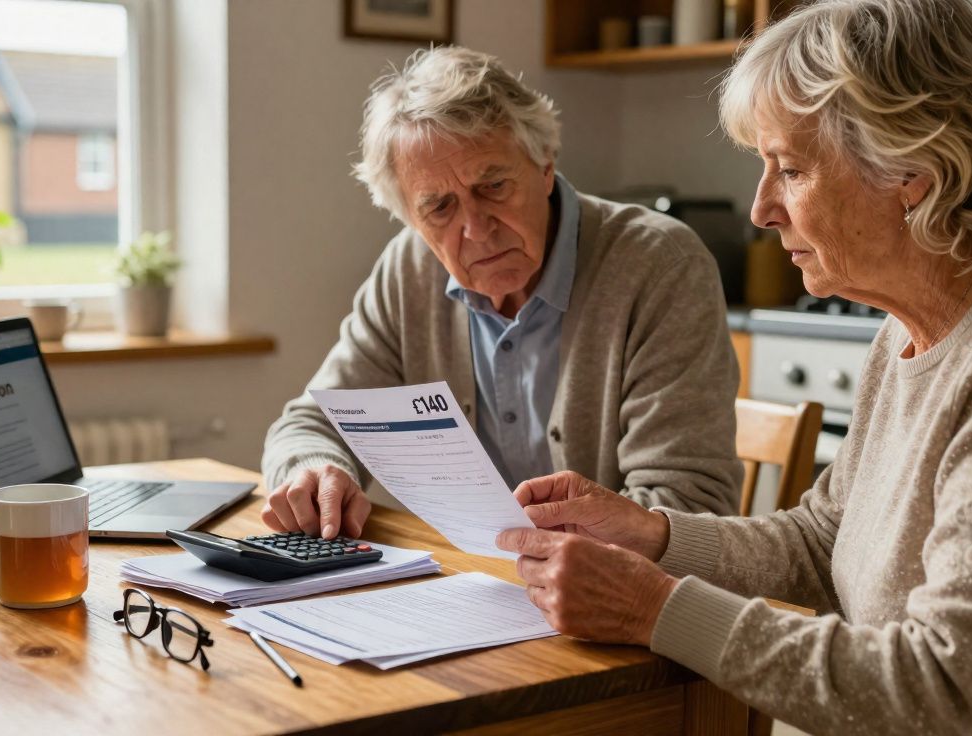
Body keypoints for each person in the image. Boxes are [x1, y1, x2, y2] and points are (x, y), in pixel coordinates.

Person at [496, 1, 972, 733]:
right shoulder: (913, 327)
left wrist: (653, 607)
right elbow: (822, 547)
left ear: (913, 167)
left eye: (789, 168)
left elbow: (948, 692)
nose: (761, 209)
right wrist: (654, 538)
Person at [260, 47, 742, 540]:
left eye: (492, 186)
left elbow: (687, 505)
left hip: (616, 600)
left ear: (545, 165)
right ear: (411, 218)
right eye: (440, 207)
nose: (475, 228)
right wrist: (316, 470)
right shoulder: (409, 268)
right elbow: (312, 424)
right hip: (467, 587)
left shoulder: (660, 265)